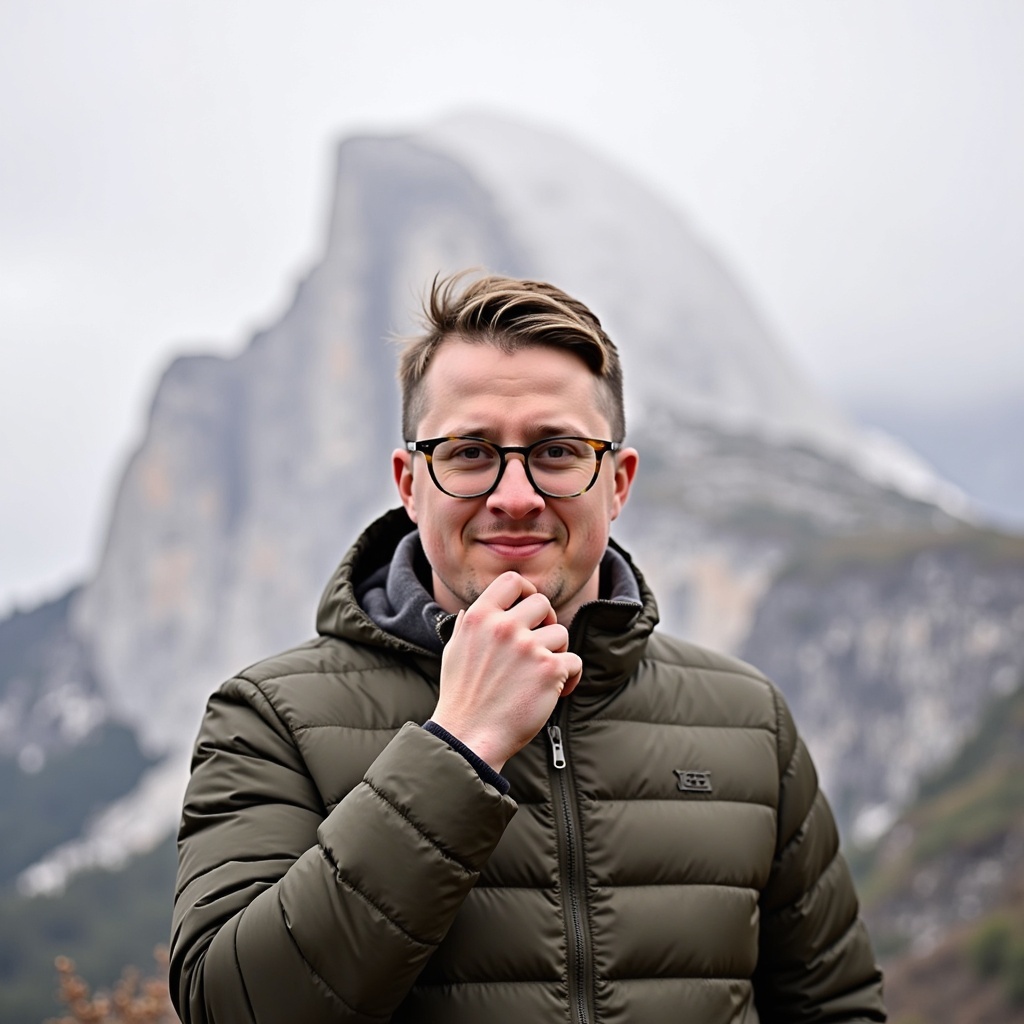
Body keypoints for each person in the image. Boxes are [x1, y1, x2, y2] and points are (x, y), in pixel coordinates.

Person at [170, 273, 886, 1023]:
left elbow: (837, 1007)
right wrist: (458, 748)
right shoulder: (269, 717)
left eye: (557, 451)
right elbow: (230, 1008)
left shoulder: (750, 722)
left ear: (618, 482)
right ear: (410, 483)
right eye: (471, 452)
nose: (515, 495)